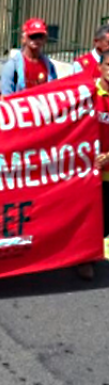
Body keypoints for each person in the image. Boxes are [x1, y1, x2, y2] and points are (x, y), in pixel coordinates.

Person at [84, 49, 109, 280]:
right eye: (108, 65)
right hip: (89, 169)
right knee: (90, 217)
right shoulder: (88, 94)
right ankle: (86, 259)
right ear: (100, 67)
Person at [0, 18, 57, 95]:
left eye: (40, 36)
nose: (37, 40)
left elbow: (54, 92)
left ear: (45, 39)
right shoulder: (12, 66)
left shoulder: (49, 66)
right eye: (32, 36)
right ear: (24, 38)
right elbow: (6, 95)